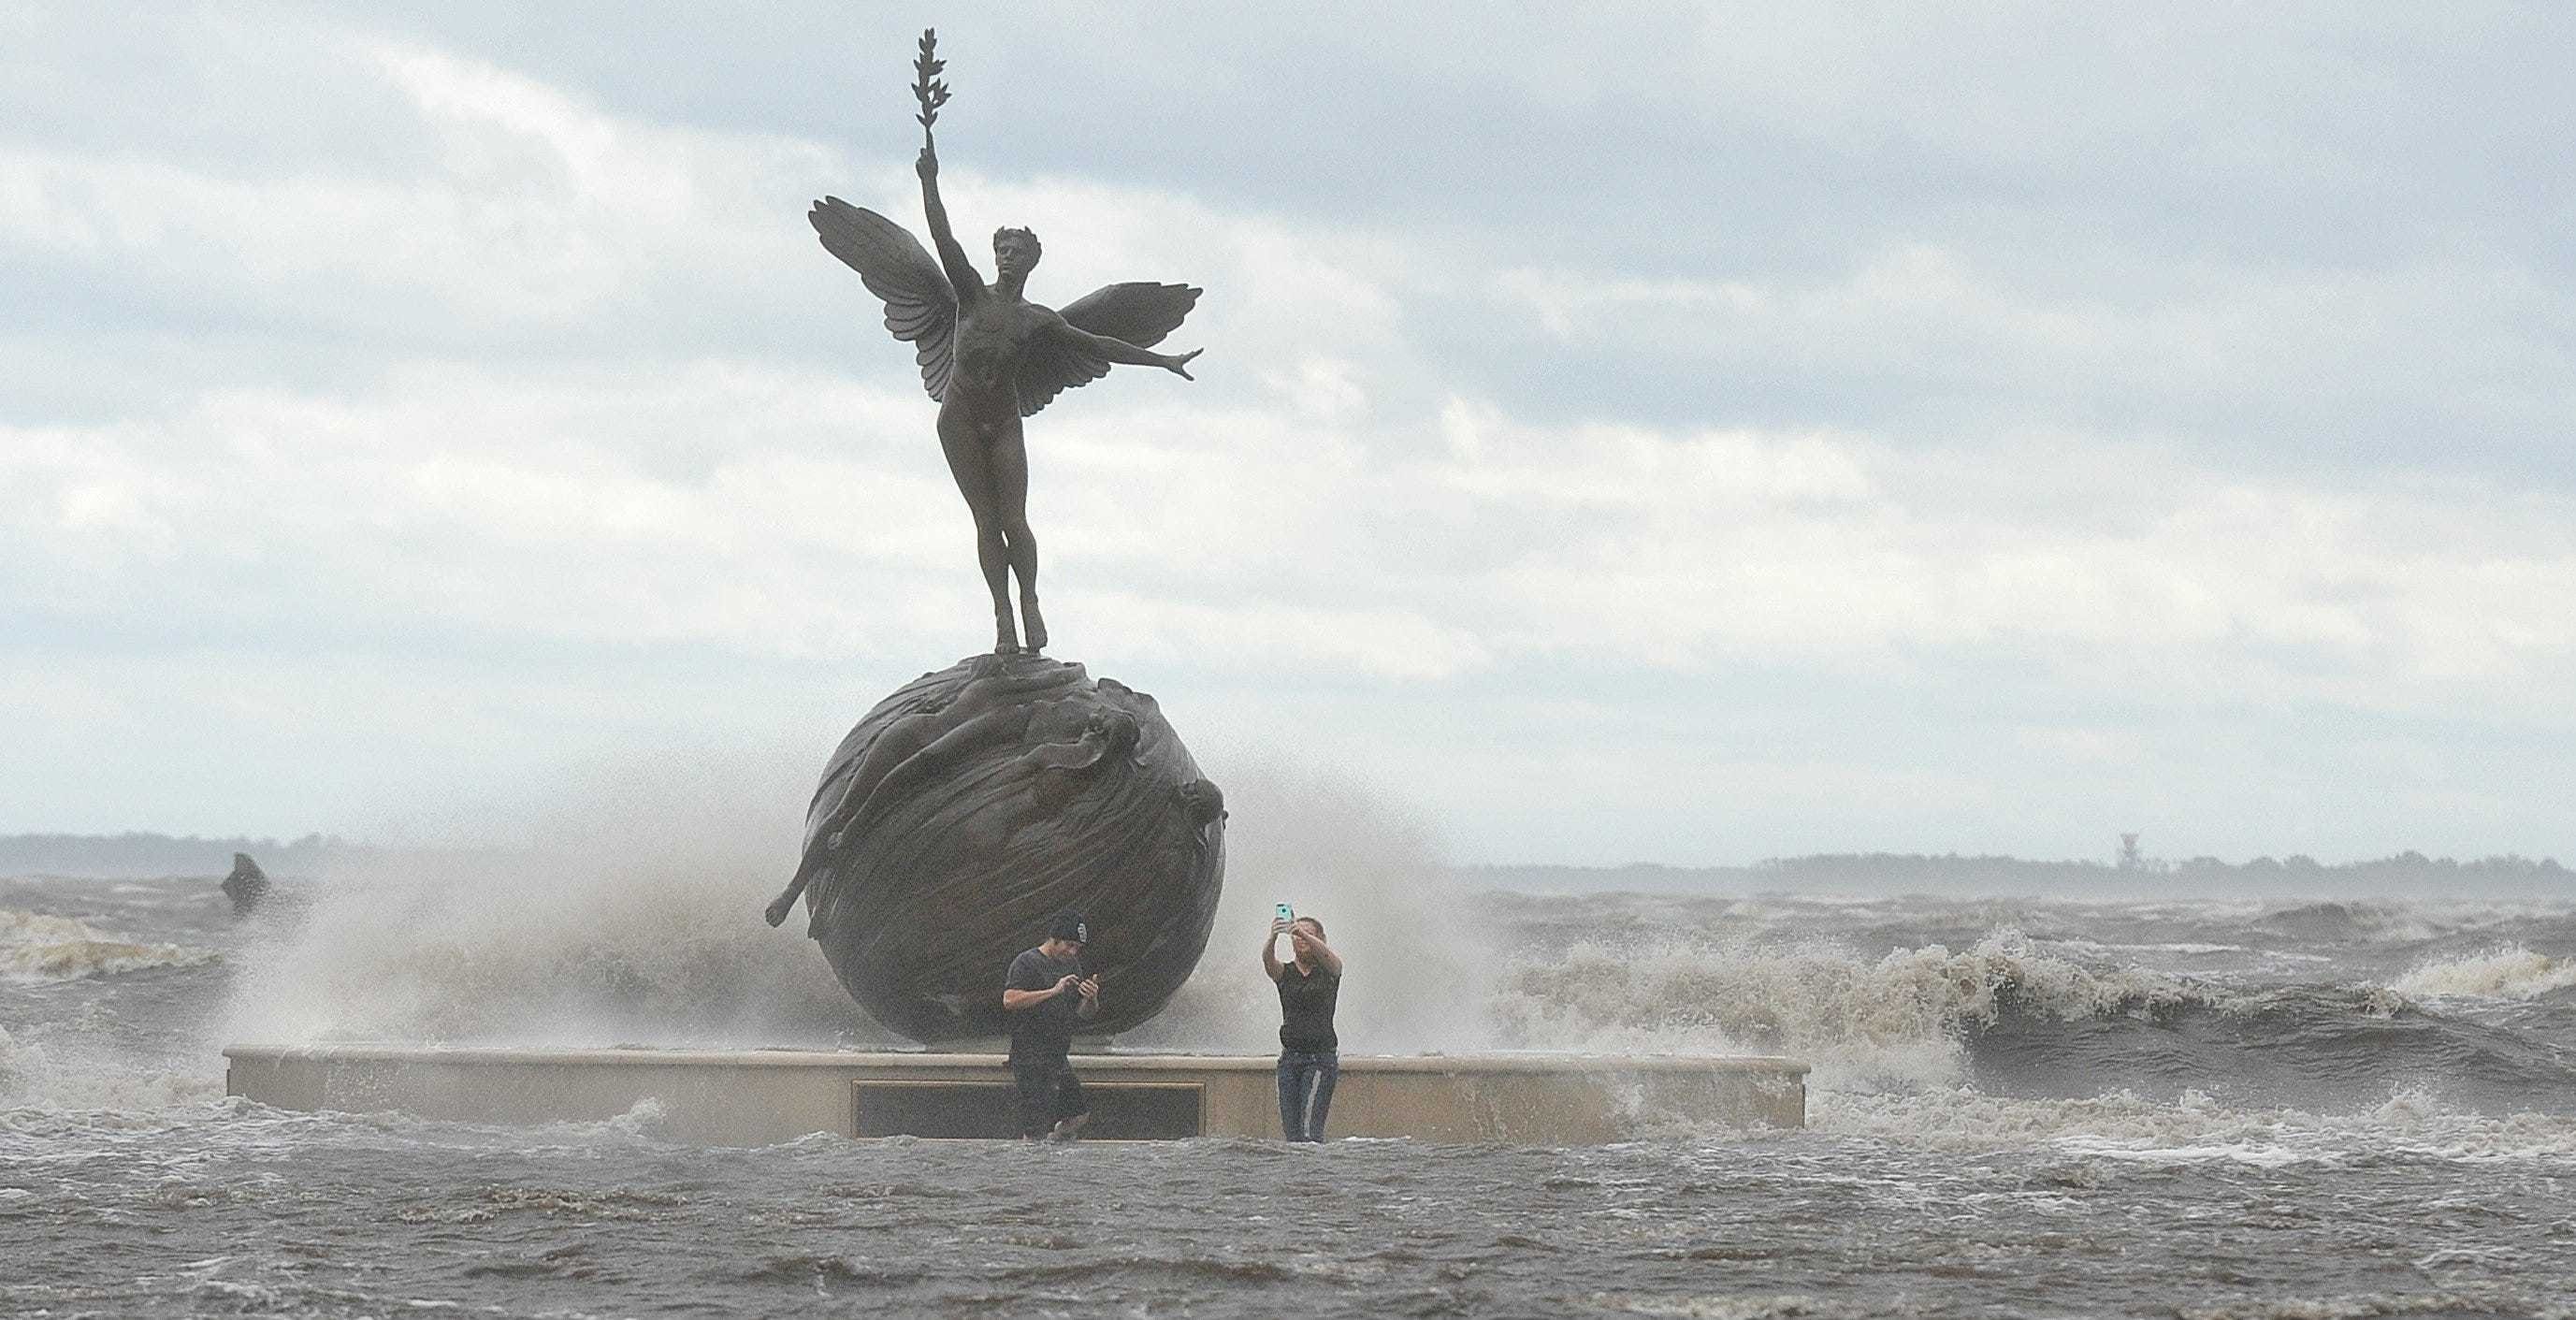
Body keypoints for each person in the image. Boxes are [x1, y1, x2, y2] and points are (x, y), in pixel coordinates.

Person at [1003, 910, 1102, 1139]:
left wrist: (1091, 998)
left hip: (1057, 1055)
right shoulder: (1026, 962)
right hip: (1029, 1056)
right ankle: (1032, 1162)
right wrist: (1053, 991)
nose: (1073, 952)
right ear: (1054, 938)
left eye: (1077, 947)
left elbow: (1083, 1015)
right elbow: (1009, 1000)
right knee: (1036, 1123)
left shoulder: (1072, 966)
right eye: (1069, 945)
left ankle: (1054, 1149)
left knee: (1079, 1115)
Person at [1262, 913, 1343, 1142]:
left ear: (1320, 939)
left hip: (1320, 1059)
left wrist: (1301, 931)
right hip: (1290, 1061)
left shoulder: (1329, 971)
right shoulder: (1286, 973)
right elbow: (1268, 963)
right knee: (1293, 1134)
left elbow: (1334, 961)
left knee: (1309, 1132)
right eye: (1296, 935)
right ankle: (1297, 1178)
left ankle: (1314, 1176)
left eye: (1308, 934)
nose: (1301, 938)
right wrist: (1273, 937)